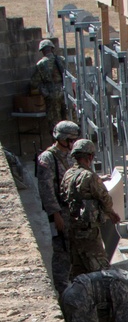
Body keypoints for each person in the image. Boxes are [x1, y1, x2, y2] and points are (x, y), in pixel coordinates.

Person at [62, 137, 121, 278]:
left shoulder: (68, 174)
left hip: (73, 227)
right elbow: (104, 198)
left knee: (78, 267)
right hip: (89, 229)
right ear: (90, 156)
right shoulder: (89, 176)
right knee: (100, 268)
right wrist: (112, 214)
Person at [35, 120, 80, 294]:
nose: (71, 144)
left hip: (72, 209)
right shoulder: (48, 158)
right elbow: (46, 189)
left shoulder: (70, 155)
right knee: (62, 249)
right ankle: (62, 288)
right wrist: (55, 214)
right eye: (69, 140)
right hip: (60, 211)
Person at [32, 38, 66, 135]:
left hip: (51, 94)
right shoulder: (61, 60)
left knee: (55, 124)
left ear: (42, 51)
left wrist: (43, 90)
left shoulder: (41, 64)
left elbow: (34, 82)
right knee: (68, 120)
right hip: (65, 92)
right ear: (52, 48)